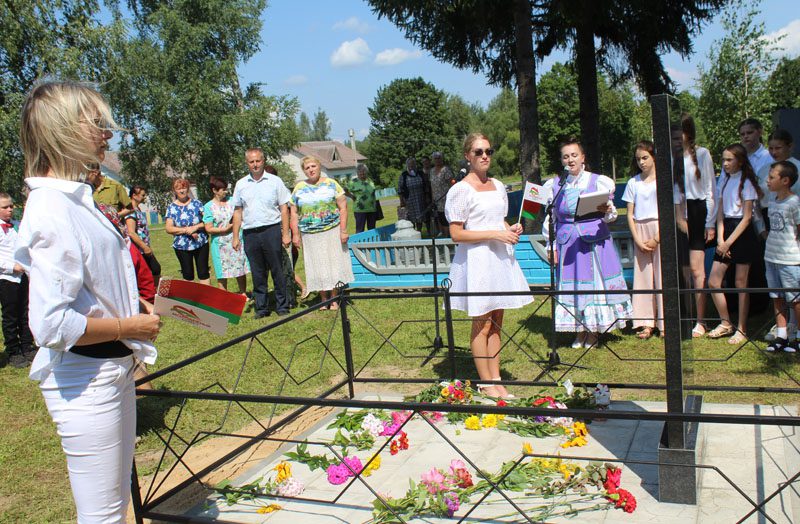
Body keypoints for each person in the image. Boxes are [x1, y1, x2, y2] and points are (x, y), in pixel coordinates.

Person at [15, 80, 160, 523]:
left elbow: (95, 284)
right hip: (85, 380)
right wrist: (127, 327)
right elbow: (51, 325)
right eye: (97, 124)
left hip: (110, 369)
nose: (107, 134)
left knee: (115, 506)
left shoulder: (77, 200)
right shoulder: (52, 209)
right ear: (64, 130)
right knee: (103, 516)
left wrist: (136, 308)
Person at [445, 133, 532, 399]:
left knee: (496, 323)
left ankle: (496, 378)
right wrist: (495, 234)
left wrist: (511, 229)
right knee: (481, 323)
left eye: (488, 151)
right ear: (467, 156)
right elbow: (457, 234)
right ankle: (485, 382)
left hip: (498, 260)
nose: (485, 156)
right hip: (478, 262)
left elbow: (499, 220)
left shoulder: (498, 185)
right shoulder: (460, 190)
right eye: (479, 152)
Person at [543, 137, 632, 349]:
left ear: (583, 157)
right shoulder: (555, 185)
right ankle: (579, 331)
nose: (570, 160)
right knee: (573, 287)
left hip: (593, 243)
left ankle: (593, 332)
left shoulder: (597, 181)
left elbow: (609, 215)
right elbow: (551, 218)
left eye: (574, 155)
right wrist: (551, 245)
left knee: (593, 286)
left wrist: (608, 210)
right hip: (568, 245)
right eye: (566, 156)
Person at [706, 144, 762, 344]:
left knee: (740, 283)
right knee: (713, 280)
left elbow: (747, 218)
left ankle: (742, 328)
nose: (725, 163)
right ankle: (725, 322)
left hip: (742, 234)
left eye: (729, 160)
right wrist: (721, 240)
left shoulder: (747, 182)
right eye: (723, 160)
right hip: (726, 231)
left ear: (740, 160)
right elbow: (720, 212)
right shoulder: (725, 179)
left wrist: (728, 242)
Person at [231, 148, 292, 318]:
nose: (255, 164)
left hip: (271, 230)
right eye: (252, 162)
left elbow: (284, 208)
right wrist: (235, 236)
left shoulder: (275, 181)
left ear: (263, 161)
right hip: (250, 233)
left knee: (277, 269)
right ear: (247, 163)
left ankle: (282, 306)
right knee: (257, 272)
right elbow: (237, 211)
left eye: (258, 161)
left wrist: (285, 233)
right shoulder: (241, 184)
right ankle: (262, 308)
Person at [290, 155, 354, 310]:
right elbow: (293, 212)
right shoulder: (299, 188)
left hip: (331, 231)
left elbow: (343, 208)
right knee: (316, 266)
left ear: (319, 166)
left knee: (333, 264)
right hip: (310, 235)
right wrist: (296, 235)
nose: (311, 170)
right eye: (307, 168)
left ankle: (333, 299)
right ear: (304, 171)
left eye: (313, 166)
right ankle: (323, 299)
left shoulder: (332, 184)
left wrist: (343, 230)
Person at [754, 129, 800, 341]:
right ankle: (782, 332)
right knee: (777, 291)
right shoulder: (765, 172)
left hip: (790, 244)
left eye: (778, 148)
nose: (773, 152)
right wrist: (762, 229)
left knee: (793, 292)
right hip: (773, 241)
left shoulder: (796, 169)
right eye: (770, 148)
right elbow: (759, 202)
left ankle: (795, 330)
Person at [623, 141, 664, 339]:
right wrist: (638, 239)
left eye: (645, 157)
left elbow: (668, 211)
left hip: (659, 229)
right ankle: (646, 322)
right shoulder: (633, 183)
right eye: (638, 159)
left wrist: (657, 238)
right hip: (640, 229)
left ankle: (665, 323)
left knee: (663, 276)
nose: (641, 162)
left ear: (654, 157)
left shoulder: (663, 181)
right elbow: (629, 214)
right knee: (643, 278)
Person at [680, 114, 716, 338]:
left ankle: (701, 321)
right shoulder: (670, 156)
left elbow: (711, 189)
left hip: (697, 211)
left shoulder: (702, 154)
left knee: (697, 270)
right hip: (677, 213)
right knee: (682, 270)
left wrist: (710, 222)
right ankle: (686, 315)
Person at [763, 161, 800, 353]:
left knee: (794, 299)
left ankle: (798, 336)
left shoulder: (794, 202)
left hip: (789, 259)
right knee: (776, 296)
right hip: (772, 256)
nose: (767, 181)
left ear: (785, 180)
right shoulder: (772, 200)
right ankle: (781, 335)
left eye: (771, 177)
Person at [0, 193, 35, 368]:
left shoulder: (16, 226)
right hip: (6, 278)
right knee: (10, 316)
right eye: (5, 207)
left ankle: (27, 346)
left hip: (23, 276)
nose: (9, 210)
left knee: (25, 312)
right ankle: (12, 350)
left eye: (11, 206)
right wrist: (11, 267)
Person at [203, 176, 249, 293]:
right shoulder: (208, 207)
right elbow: (208, 228)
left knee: (240, 267)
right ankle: (224, 296)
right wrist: (225, 229)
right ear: (214, 190)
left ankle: (243, 293)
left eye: (225, 189)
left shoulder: (233, 201)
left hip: (236, 239)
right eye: (222, 189)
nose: (225, 191)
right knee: (221, 271)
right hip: (219, 245)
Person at [165, 178, 210, 284]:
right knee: (187, 274)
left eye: (184, 188)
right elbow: (169, 228)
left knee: (203, 272)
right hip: (182, 246)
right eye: (178, 188)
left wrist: (196, 227)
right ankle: (190, 299)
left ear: (188, 189)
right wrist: (186, 230)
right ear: (174, 190)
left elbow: (207, 222)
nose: (182, 191)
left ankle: (205, 299)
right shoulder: (171, 208)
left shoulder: (197, 204)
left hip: (201, 243)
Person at [125, 185, 161, 281]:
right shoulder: (130, 211)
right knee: (154, 269)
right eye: (142, 195)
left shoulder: (138, 209)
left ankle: (153, 292)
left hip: (144, 247)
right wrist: (144, 247)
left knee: (155, 269)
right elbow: (131, 232)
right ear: (134, 195)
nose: (144, 197)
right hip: (138, 249)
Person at [398, 157, 431, 232]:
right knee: (411, 218)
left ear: (415, 165)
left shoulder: (420, 173)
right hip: (409, 200)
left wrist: (426, 196)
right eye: (410, 164)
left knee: (421, 217)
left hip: (420, 199)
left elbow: (425, 185)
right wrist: (402, 201)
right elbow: (400, 189)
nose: (411, 165)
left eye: (413, 163)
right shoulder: (403, 175)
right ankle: (412, 232)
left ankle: (419, 232)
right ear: (407, 165)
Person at [344, 164, 378, 233]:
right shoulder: (353, 182)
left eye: (364, 171)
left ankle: (372, 243)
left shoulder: (369, 180)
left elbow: (373, 193)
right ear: (357, 173)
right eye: (360, 172)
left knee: (372, 230)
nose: (362, 173)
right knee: (360, 230)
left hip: (372, 209)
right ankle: (360, 244)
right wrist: (351, 196)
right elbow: (344, 190)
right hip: (360, 210)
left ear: (366, 172)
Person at [430, 151, 455, 236]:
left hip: (446, 199)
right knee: (440, 219)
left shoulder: (446, 170)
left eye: (439, 158)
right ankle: (444, 237)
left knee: (446, 219)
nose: (437, 160)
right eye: (435, 158)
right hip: (437, 200)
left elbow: (452, 183)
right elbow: (432, 185)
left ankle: (449, 238)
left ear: (442, 159)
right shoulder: (432, 171)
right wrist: (432, 197)